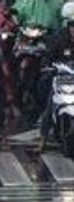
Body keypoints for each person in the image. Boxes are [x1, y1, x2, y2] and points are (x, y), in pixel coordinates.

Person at [40, 2, 74, 144]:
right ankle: (43, 137)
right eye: (73, 25)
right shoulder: (59, 38)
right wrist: (48, 66)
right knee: (50, 103)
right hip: (61, 80)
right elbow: (48, 57)